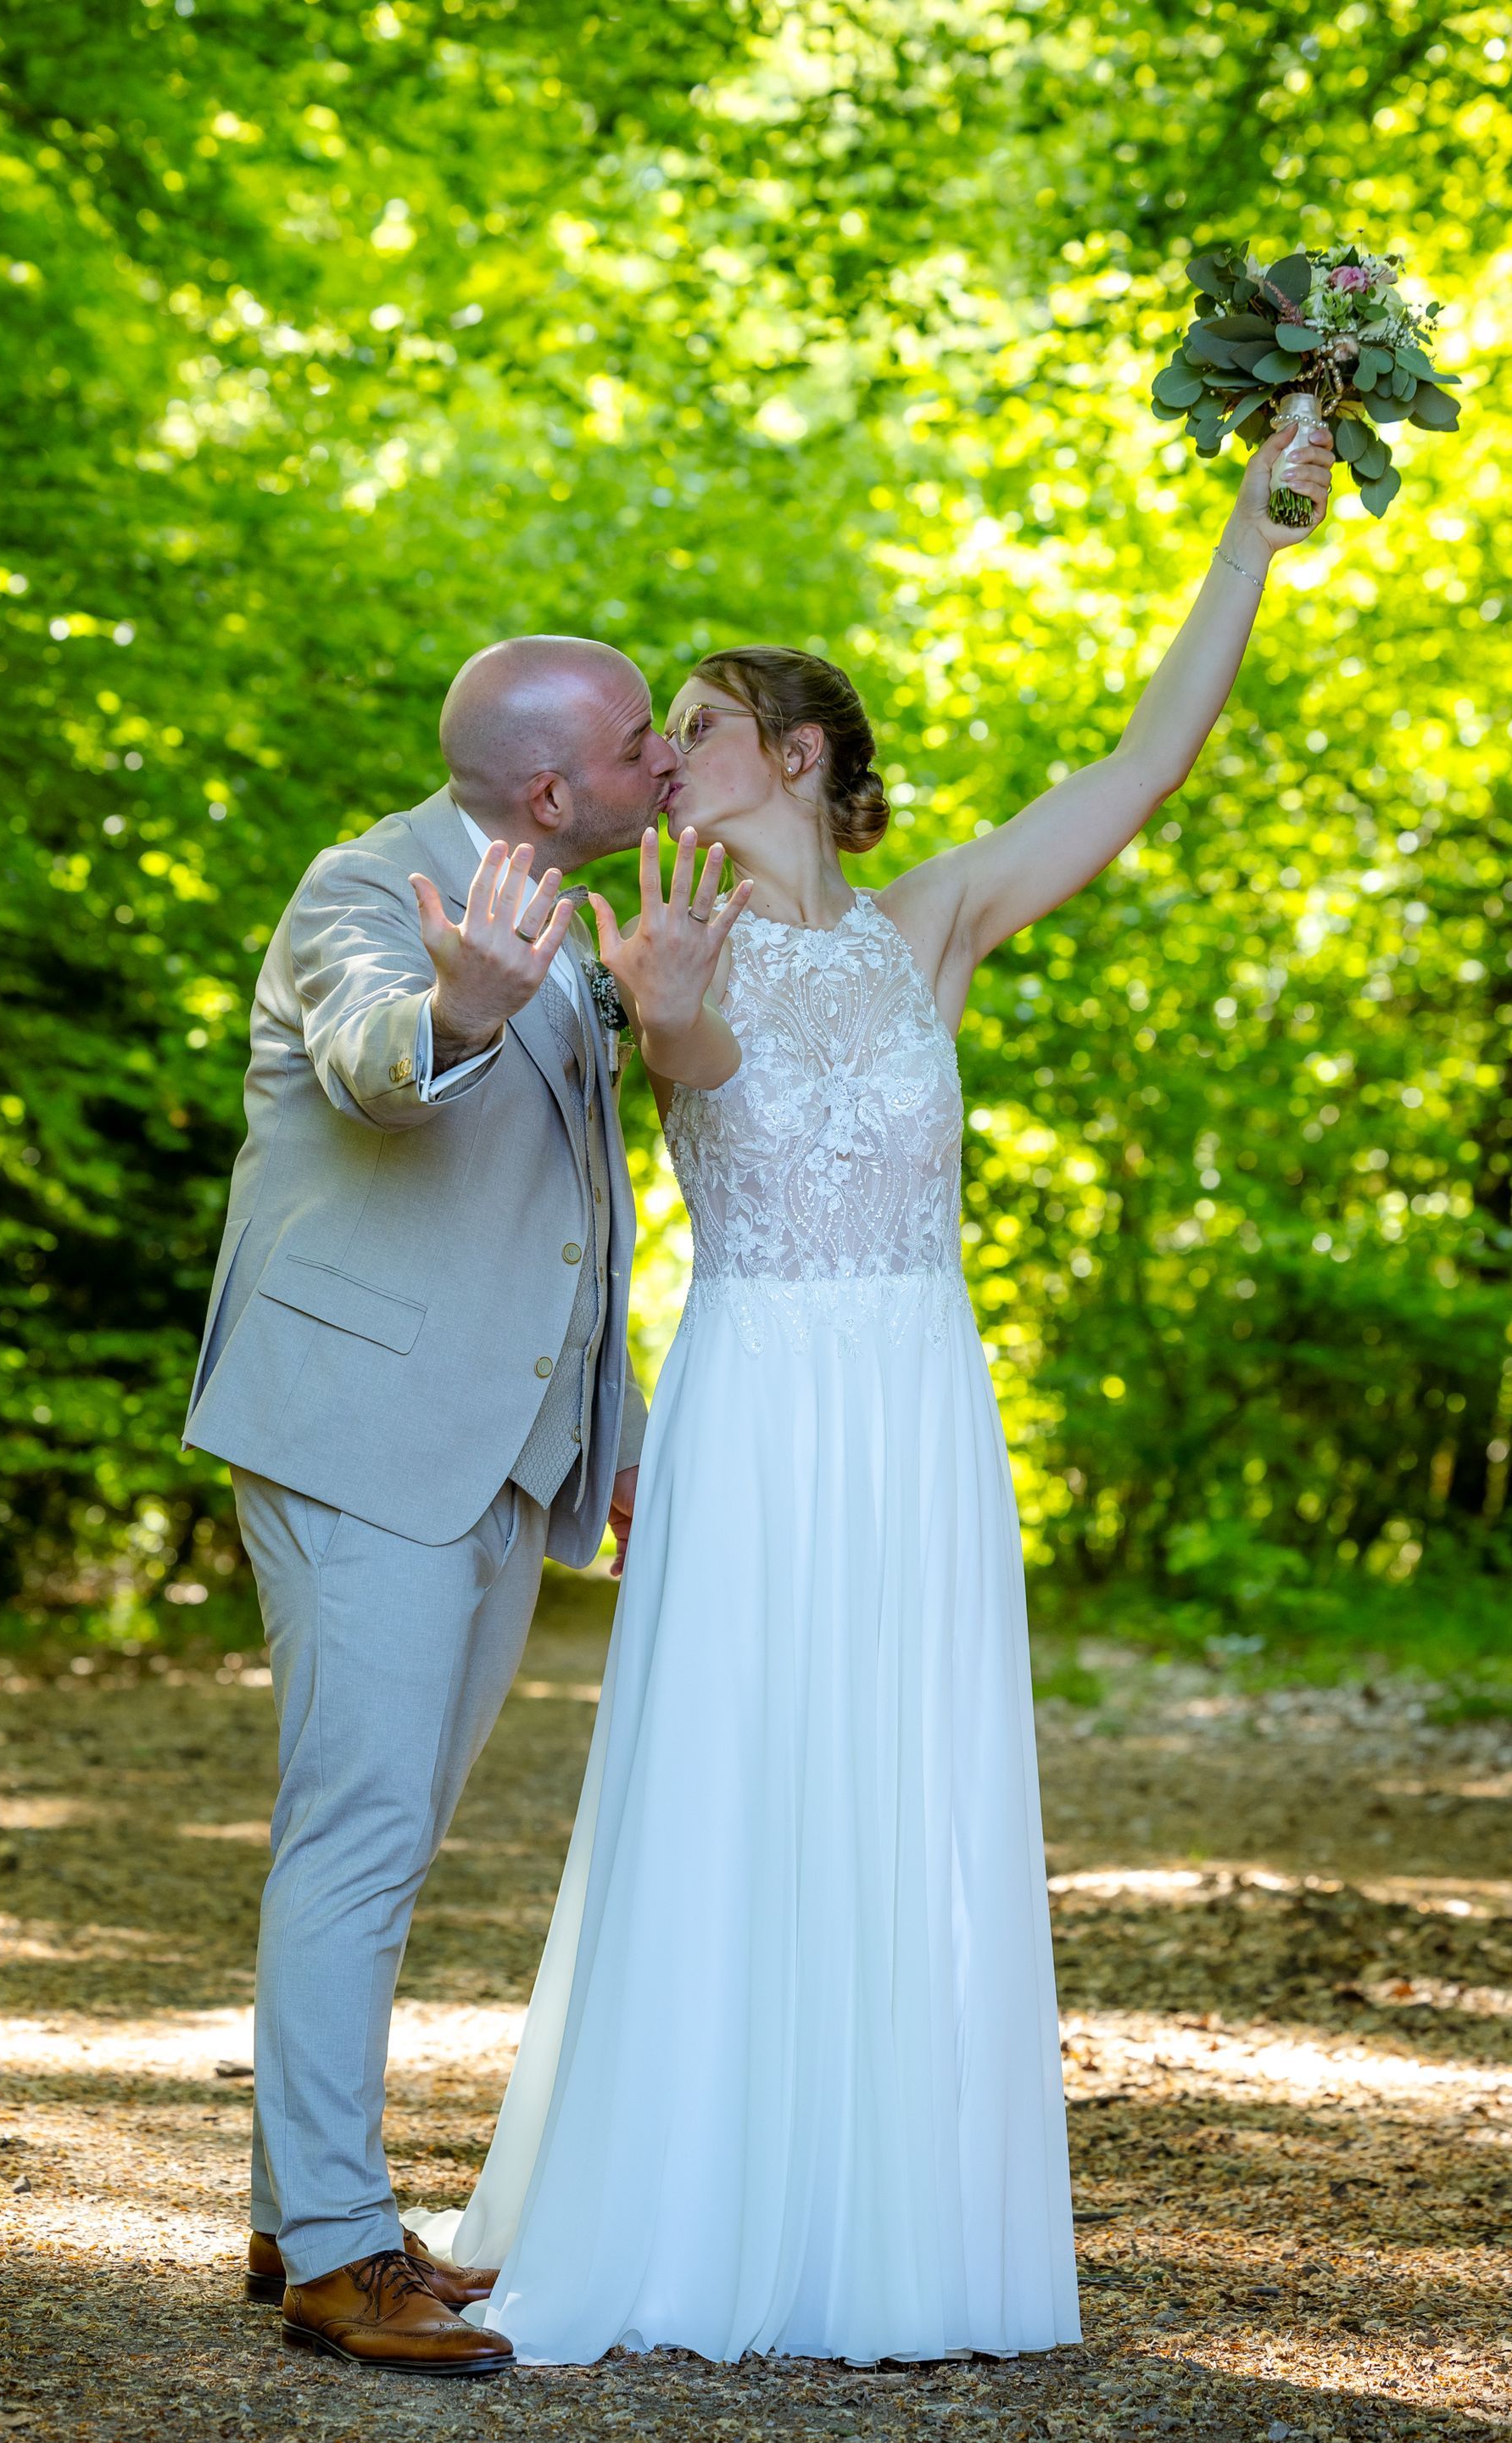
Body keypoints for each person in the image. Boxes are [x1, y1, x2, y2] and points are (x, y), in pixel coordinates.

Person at [408, 422, 1337, 2363]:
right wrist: (668, 1007)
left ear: (803, 751)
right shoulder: (670, 938)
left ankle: (890, 2219)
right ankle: (701, 2204)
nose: (668, 752)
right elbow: (694, 1066)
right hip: (758, 1401)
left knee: (901, 1782)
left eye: (699, 722)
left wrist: (1255, 530)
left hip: (917, 1404)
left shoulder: (936, 924)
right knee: (738, 1770)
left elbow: (1146, 762)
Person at [184, 635, 678, 2373]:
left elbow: (574, 1212)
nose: (663, 762)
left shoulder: (574, 925)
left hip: (498, 1452)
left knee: (387, 1835)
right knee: (359, 1836)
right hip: (362, 1437)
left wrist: (614, 1423)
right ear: (551, 790)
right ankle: (338, 2255)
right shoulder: (364, 889)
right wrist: (458, 1011)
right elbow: (371, 1058)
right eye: (640, 741)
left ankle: (294, 2208)